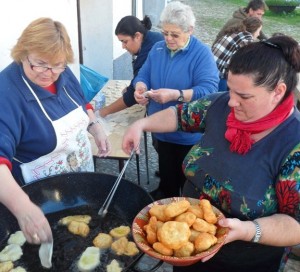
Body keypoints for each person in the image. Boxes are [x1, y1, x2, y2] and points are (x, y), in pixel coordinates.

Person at [123, 34, 300, 271]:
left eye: (244, 96)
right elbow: (180, 115)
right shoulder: (220, 105)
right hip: (189, 247)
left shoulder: (294, 143)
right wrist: (141, 125)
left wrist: (248, 230)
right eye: (230, 90)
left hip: (245, 260)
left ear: (278, 91)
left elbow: (296, 225)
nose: (232, 102)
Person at [0, 18, 110, 245]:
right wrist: (23, 208)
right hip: (40, 203)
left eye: (57, 65)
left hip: (79, 184)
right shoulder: (6, 92)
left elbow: (82, 104)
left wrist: (95, 126)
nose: (49, 73)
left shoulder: (62, 72)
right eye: (40, 64)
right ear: (22, 54)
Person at [133, 1, 219, 199]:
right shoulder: (157, 49)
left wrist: (175, 95)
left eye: (174, 34)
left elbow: (208, 90)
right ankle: (165, 192)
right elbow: (143, 74)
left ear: (190, 30)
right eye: (165, 33)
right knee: (166, 168)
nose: (168, 39)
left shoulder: (202, 53)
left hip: (187, 133)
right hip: (160, 128)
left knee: (187, 180)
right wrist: (141, 87)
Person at [98, 15, 164, 118]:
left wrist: (104, 112)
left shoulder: (150, 50)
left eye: (125, 41)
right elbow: (139, 80)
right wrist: (132, 87)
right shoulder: (152, 38)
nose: (123, 46)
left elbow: (132, 96)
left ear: (137, 36)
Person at [212, 16, 262, 91]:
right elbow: (244, 65)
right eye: (259, 31)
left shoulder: (234, 32)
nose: (258, 34)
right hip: (219, 76)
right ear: (254, 30)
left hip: (210, 67)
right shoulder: (247, 40)